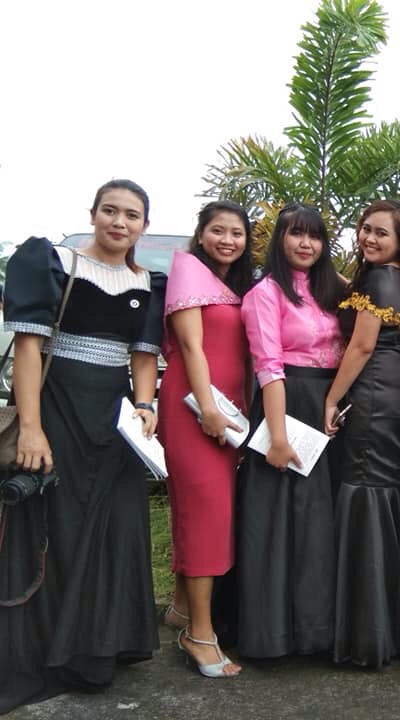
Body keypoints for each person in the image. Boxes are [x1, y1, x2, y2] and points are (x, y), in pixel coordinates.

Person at [0, 179, 165, 712]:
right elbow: (30, 347)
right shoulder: (52, 263)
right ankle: (48, 652)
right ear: (93, 213)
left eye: (132, 215)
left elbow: (143, 356)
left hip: (114, 420)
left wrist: (146, 407)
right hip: (58, 408)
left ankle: (93, 648)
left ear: (143, 225)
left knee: (112, 530)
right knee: (61, 530)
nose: (120, 222)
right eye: (111, 211)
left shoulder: (148, 281)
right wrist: (31, 426)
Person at [323, 199, 400, 667]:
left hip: (370, 396)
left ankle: (367, 636)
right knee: (377, 497)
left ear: (399, 242)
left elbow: (363, 344)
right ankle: (383, 627)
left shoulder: (384, 278)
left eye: (380, 233)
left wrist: (331, 398)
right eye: (364, 229)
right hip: (389, 392)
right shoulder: (392, 280)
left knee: (366, 496)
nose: (369, 237)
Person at [234, 203, 346, 658]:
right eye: (296, 234)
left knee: (320, 521)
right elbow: (269, 366)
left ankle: (316, 633)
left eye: (315, 236)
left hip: (331, 406)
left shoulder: (334, 291)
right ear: (279, 240)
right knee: (280, 523)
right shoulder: (266, 293)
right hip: (286, 404)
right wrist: (277, 436)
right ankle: (273, 634)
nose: (306, 244)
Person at [156, 200, 255, 677]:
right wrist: (210, 410)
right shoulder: (189, 269)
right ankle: (199, 634)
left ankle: (179, 607)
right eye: (218, 231)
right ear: (200, 234)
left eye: (237, 233)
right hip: (196, 408)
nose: (228, 240)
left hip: (224, 409)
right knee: (206, 516)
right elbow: (192, 346)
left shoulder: (229, 284)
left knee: (203, 511)